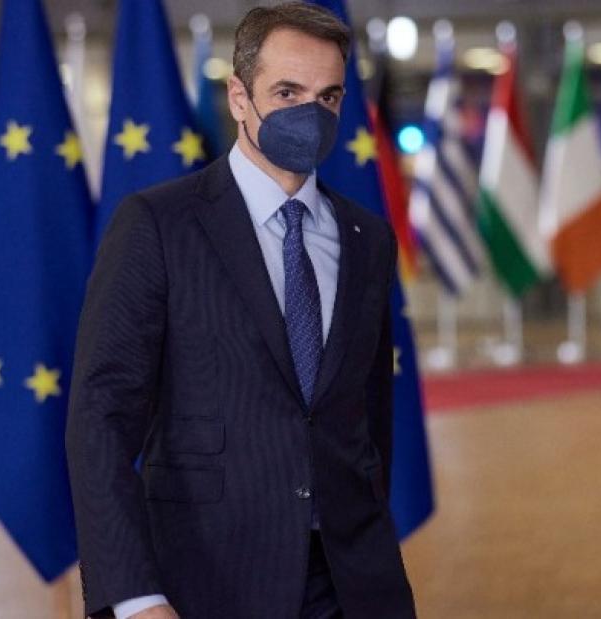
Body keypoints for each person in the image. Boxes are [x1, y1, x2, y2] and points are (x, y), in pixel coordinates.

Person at [65, 3, 416, 618]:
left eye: (329, 97)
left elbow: (370, 417)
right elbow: (100, 418)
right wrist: (133, 595)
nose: (311, 113)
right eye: (287, 92)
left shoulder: (368, 238)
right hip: (208, 582)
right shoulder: (158, 225)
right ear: (238, 97)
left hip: (355, 583)